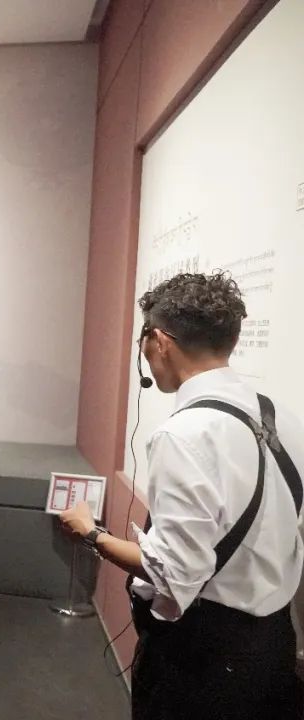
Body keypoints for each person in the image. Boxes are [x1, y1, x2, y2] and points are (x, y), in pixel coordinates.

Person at [60, 272, 304, 720]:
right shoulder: (281, 415)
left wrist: (91, 534)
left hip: (204, 660)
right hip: (274, 646)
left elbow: (173, 575)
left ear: (159, 341)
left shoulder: (183, 434)